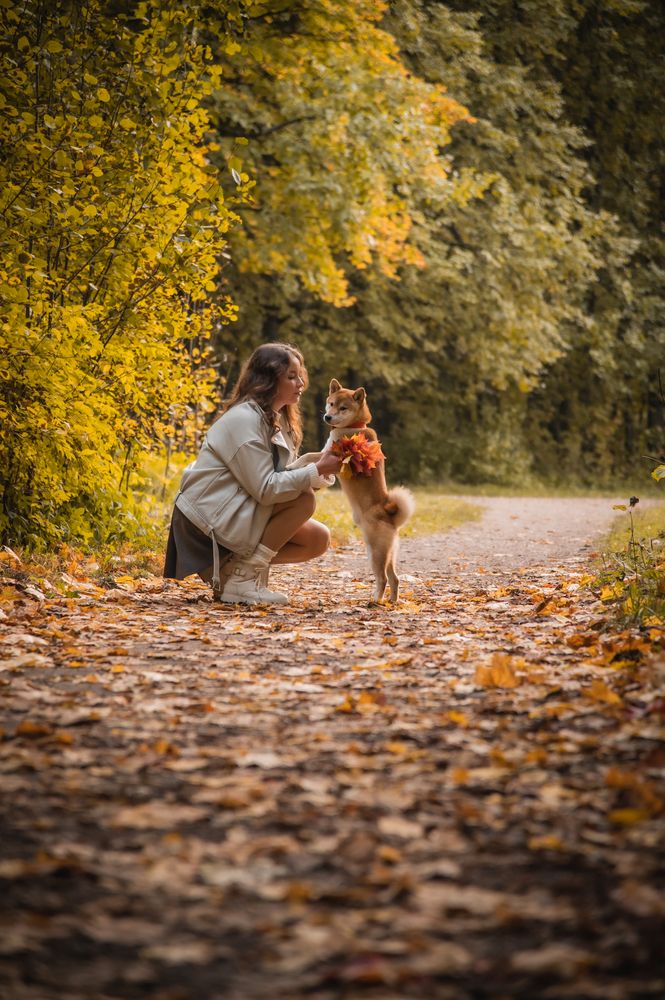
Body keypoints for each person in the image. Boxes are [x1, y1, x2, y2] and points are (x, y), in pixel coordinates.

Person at [163, 342, 342, 604]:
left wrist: (320, 469)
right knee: (304, 500)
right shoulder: (244, 419)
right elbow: (267, 489)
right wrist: (314, 471)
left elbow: (279, 478)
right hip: (206, 521)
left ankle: (233, 571)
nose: (300, 383)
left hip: (236, 510)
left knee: (317, 539)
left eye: (300, 375)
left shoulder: (277, 419)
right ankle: (242, 577)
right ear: (268, 380)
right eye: (291, 377)